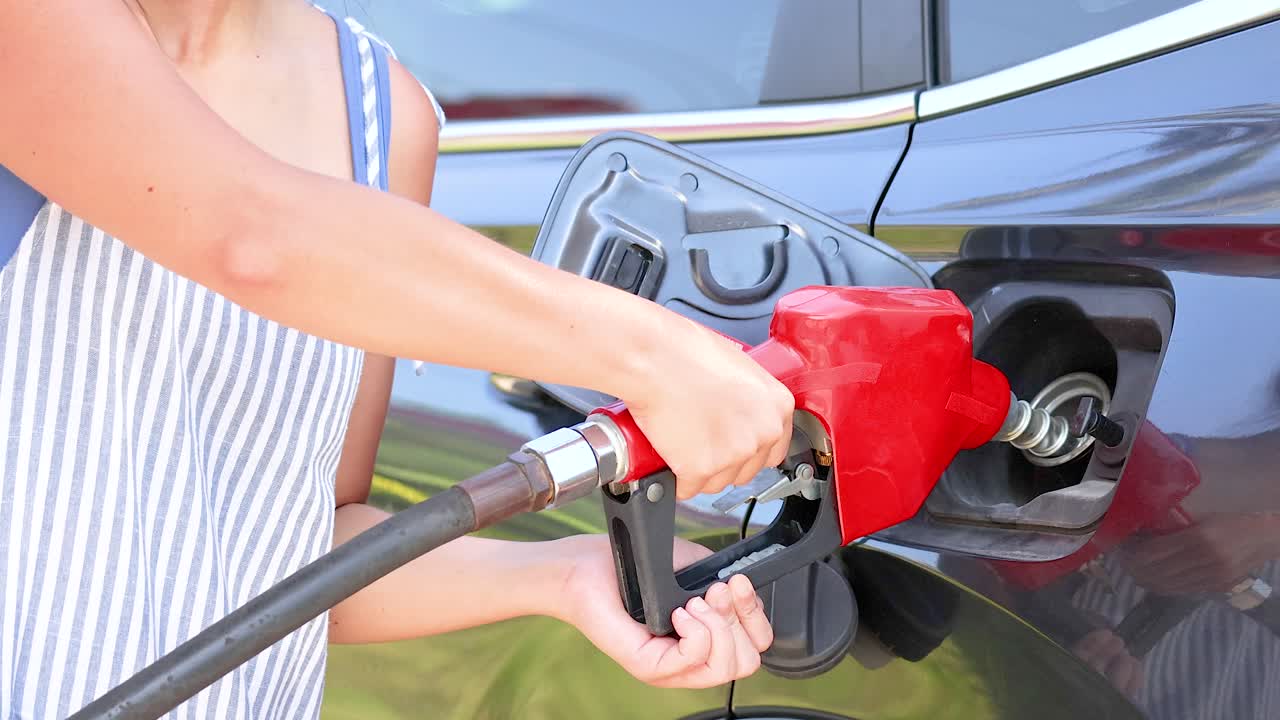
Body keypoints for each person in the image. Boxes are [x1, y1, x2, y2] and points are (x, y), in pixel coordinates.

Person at [0, 1, 792, 717]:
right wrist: (651, 354)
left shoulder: (381, 115)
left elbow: (305, 546)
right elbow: (251, 237)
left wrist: (562, 573)